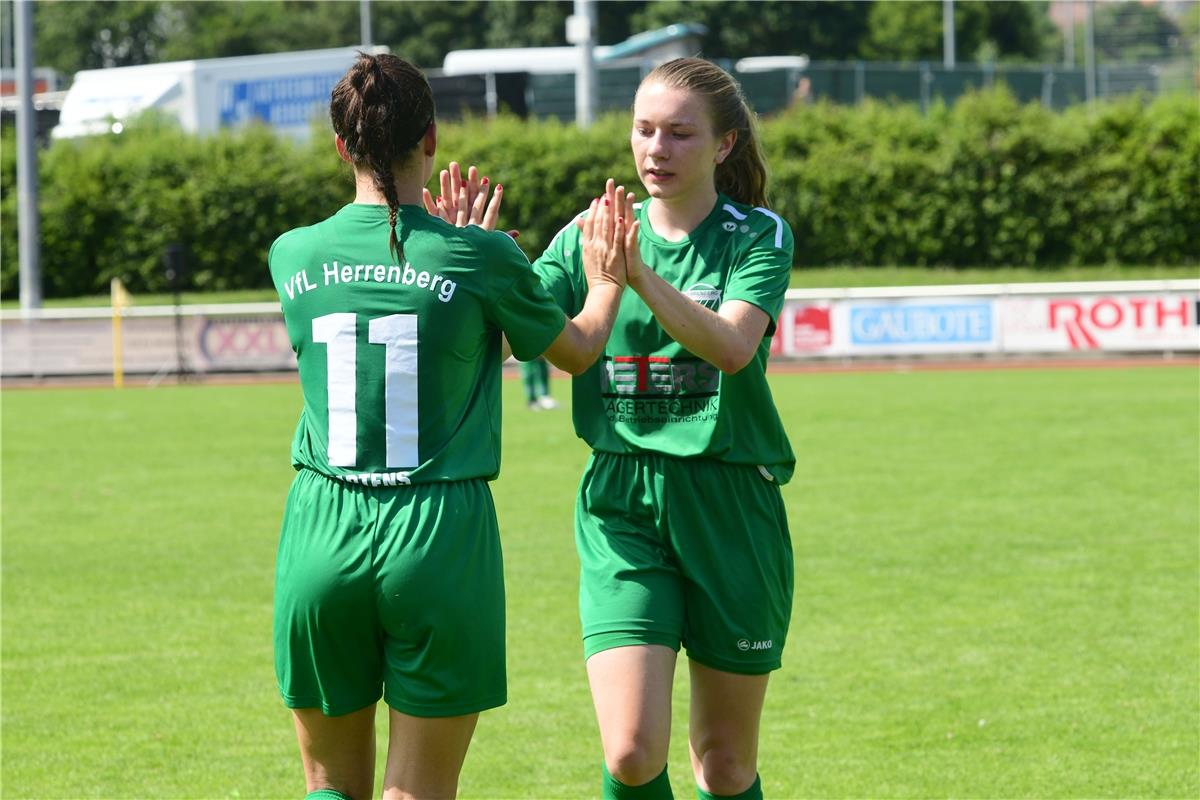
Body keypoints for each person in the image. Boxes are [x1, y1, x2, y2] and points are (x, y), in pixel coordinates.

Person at [267, 53, 627, 800]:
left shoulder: (291, 255)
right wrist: (604, 279)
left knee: (329, 788)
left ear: (342, 146)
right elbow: (580, 350)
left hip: (320, 528)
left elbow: (387, 295)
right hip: (437, 532)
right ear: (430, 139)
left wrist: (451, 252)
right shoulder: (481, 258)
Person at [530, 58, 796, 800]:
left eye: (681, 134)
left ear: (723, 146)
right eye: (645, 130)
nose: (657, 149)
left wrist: (638, 276)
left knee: (725, 764)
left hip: (731, 502)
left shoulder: (757, 236)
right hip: (622, 500)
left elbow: (735, 347)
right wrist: (466, 251)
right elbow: (524, 313)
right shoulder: (587, 233)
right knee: (629, 752)